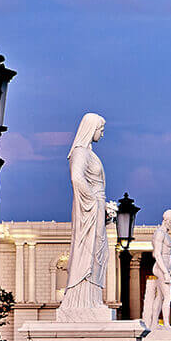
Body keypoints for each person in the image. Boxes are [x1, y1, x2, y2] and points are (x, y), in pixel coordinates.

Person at [56, 113, 113, 321]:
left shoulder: (90, 153)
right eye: (101, 129)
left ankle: (92, 299)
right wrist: (94, 202)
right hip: (89, 208)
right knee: (88, 251)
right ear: (91, 128)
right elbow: (76, 178)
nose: (102, 133)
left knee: (98, 251)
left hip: (96, 207)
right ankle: (82, 300)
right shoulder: (80, 152)